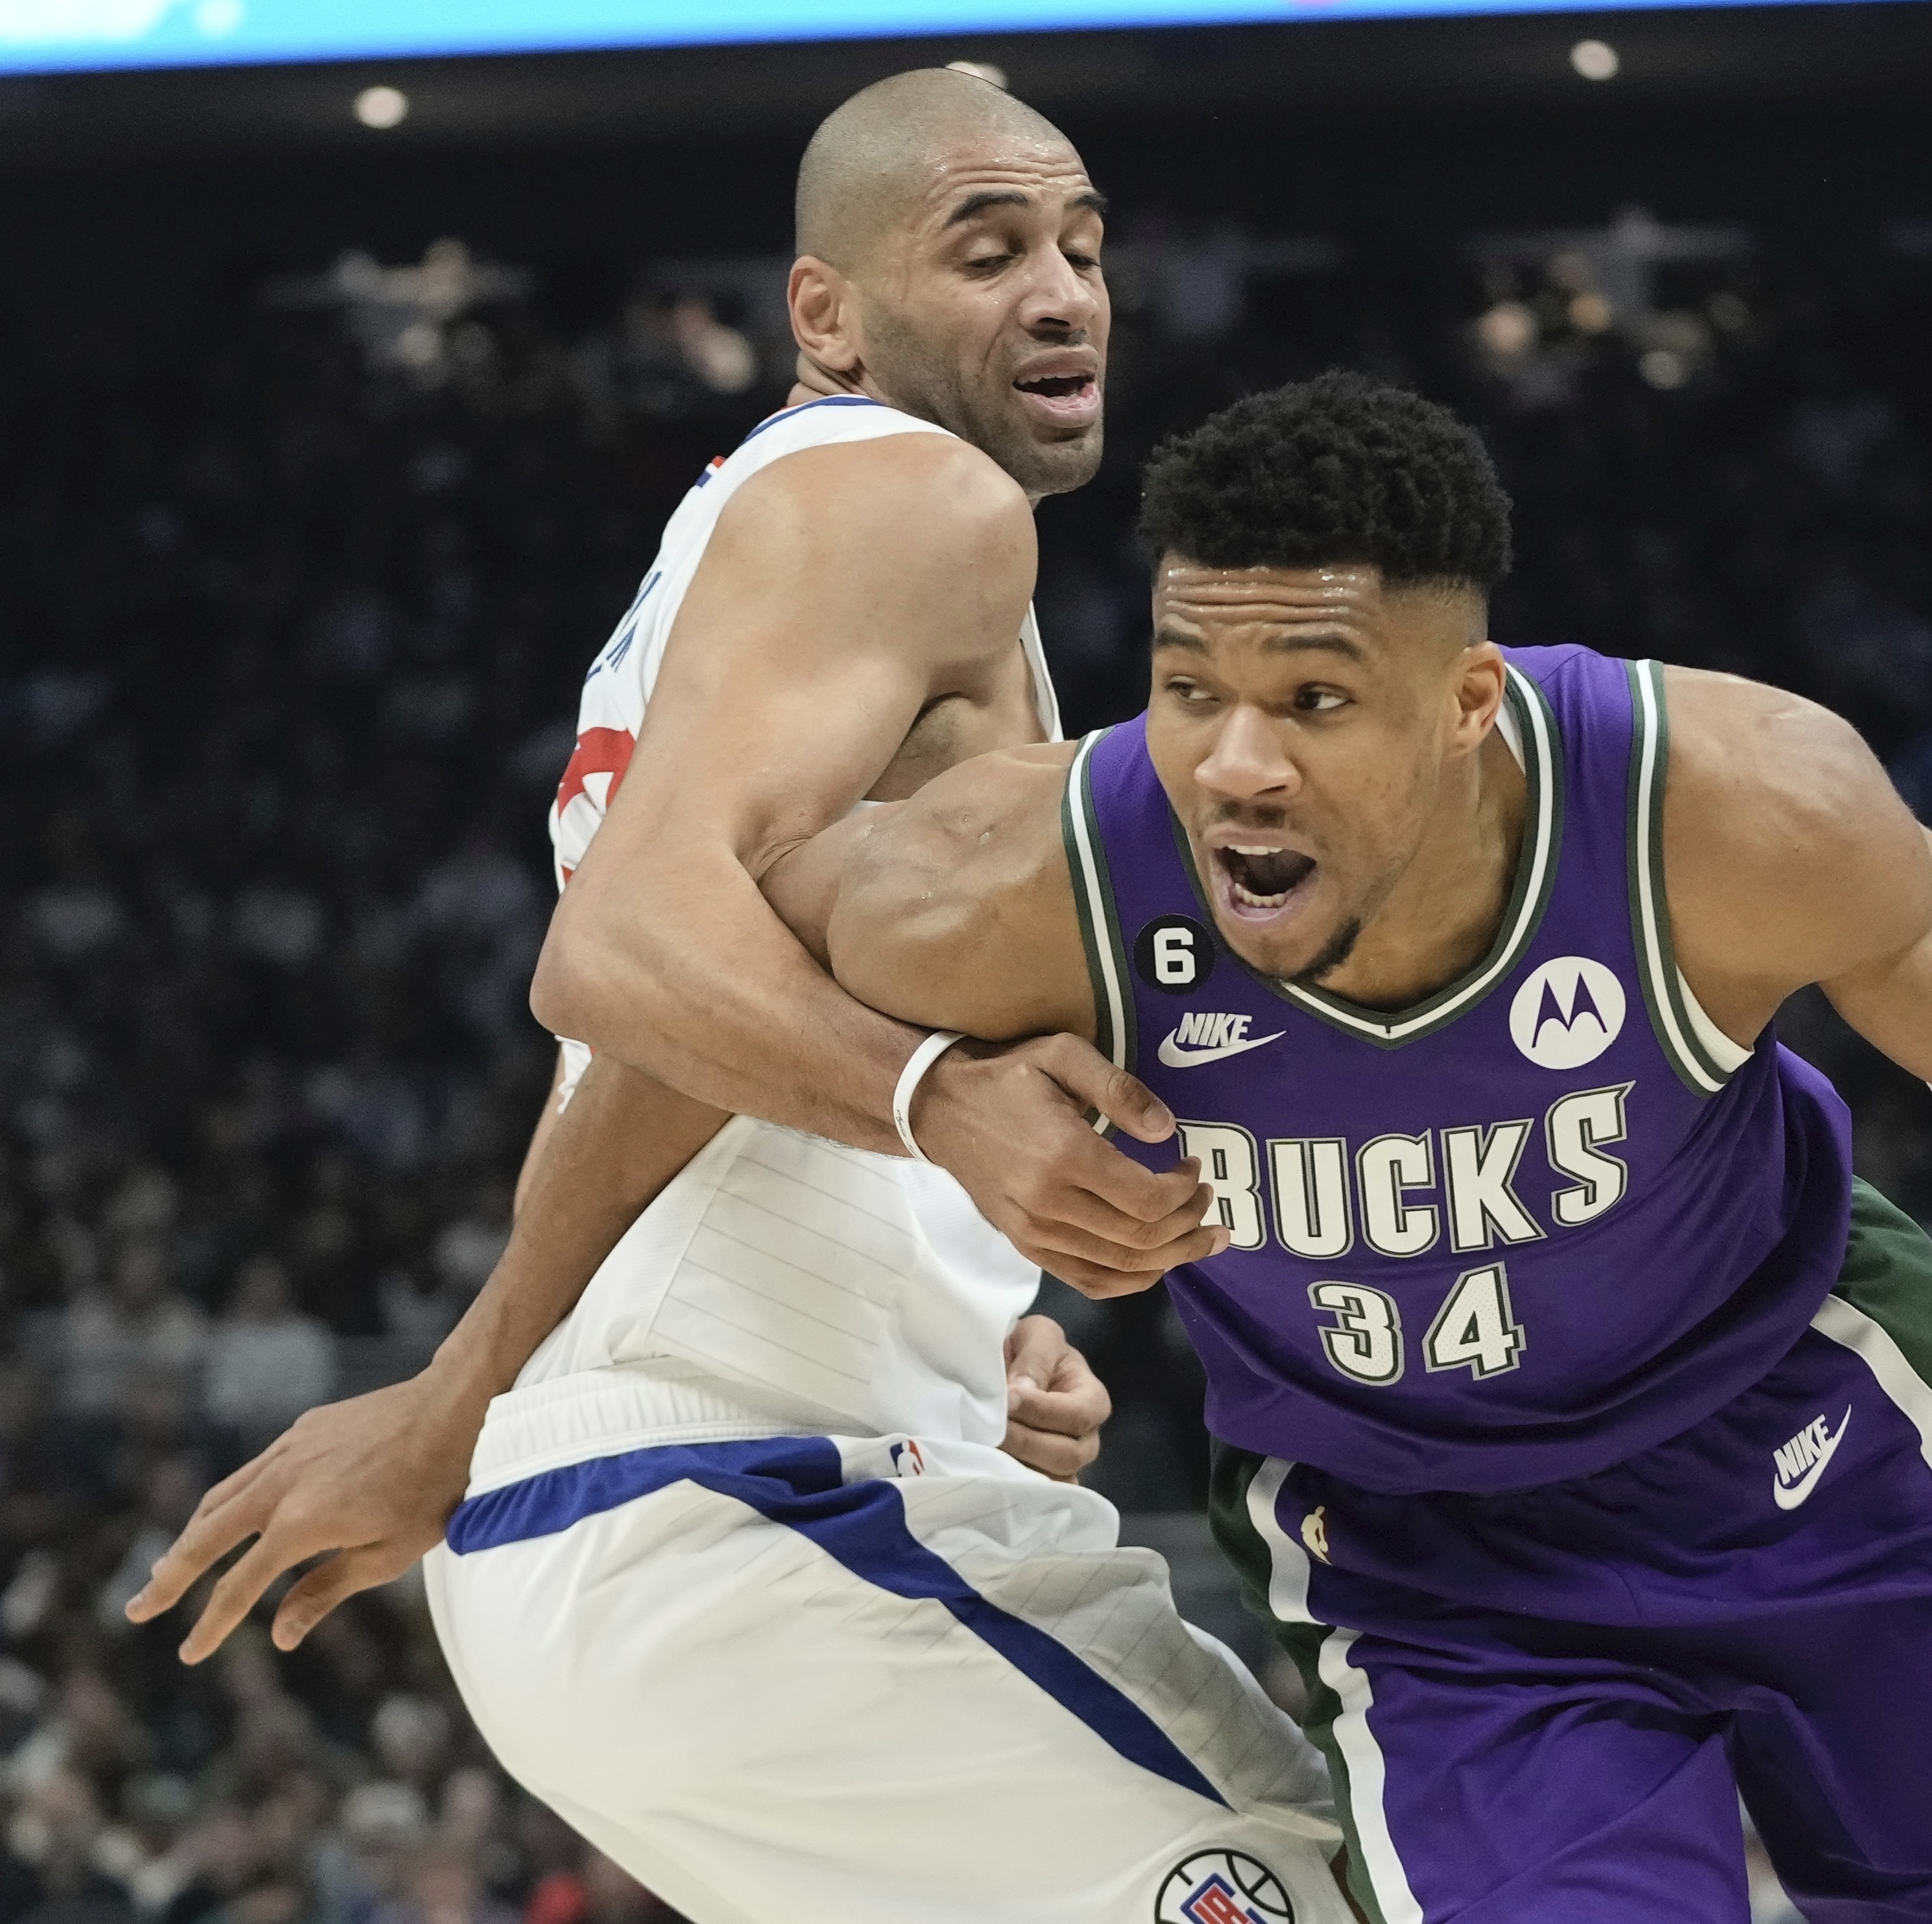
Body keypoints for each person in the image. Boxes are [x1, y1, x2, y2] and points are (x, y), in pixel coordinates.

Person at [725, 372, 1932, 1923]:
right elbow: (665, 946)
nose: (1234, 763)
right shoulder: (1030, 877)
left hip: (1819, 1453)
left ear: (1467, 705)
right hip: (1429, 1559)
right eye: (1190, 689)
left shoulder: (1727, 807)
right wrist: (921, 1114)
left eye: (1313, 700)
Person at [129, 69, 1347, 1924]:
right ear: (825, 313)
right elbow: (622, 955)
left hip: (711, 1500)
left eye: (1085, 248)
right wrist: (932, 1107)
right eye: (989, 250)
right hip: (734, 1492)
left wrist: (956, 1316)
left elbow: (690, 1018)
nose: (1062, 295)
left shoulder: (789, 540)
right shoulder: (910, 494)